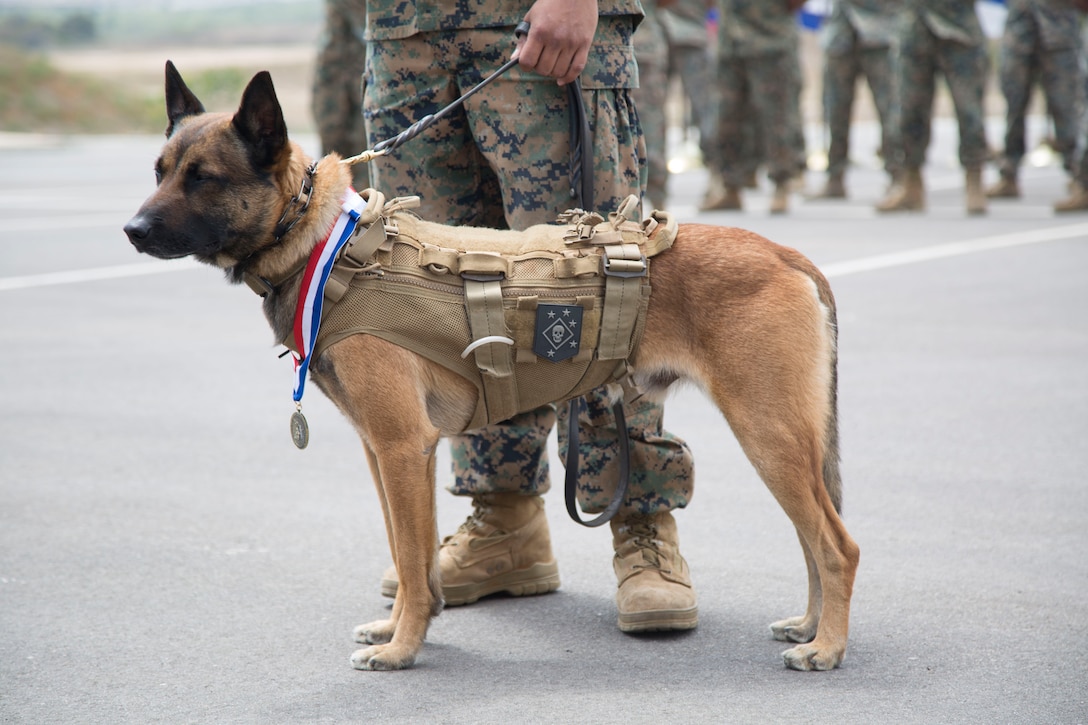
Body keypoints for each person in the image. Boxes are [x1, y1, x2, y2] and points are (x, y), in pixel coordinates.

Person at [362, 0, 698, 632]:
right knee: (442, 296)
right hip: (408, 35)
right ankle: (504, 518)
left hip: (535, 28)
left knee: (597, 284)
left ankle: (642, 523)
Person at [875, 0, 990, 215]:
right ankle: (911, 183)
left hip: (958, 27)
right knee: (909, 109)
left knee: (969, 109)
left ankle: (974, 179)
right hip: (914, 25)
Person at [700, 0, 807, 214]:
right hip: (731, 43)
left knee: (776, 118)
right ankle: (730, 186)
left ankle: (781, 183)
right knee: (727, 116)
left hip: (770, 42)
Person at [987, 0, 1086, 200]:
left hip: (1058, 29)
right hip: (1020, 27)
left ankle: (1079, 177)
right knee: (1014, 103)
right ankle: (1008, 174)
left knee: (1066, 105)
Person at [813, 0, 903, 199]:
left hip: (881, 31)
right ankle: (835, 176)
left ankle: (898, 175)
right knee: (834, 109)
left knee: (889, 109)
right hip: (840, 32)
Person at [311, 0, 370, 190]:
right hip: (335, 67)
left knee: (367, 151)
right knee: (332, 151)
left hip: (371, 66)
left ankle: (366, 209)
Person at [632, 0, 671, 208]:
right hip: (637, 44)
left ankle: (657, 197)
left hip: (639, 47)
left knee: (650, 122)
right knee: (650, 120)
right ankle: (656, 197)